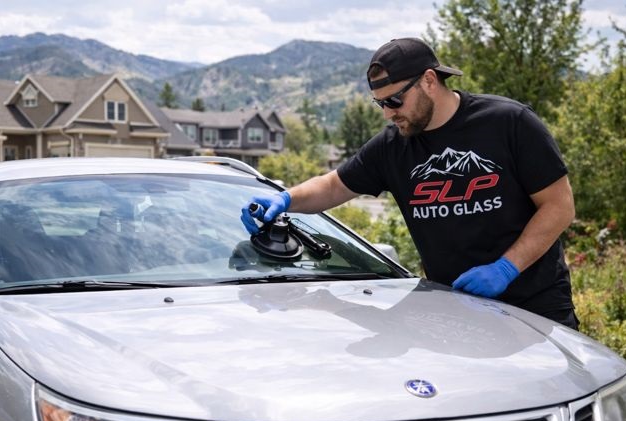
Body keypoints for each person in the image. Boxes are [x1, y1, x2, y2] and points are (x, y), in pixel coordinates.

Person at [241, 37, 579, 329]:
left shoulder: (509, 123)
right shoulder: (393, 146)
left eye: (394, 101)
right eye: (380, 104)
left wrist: (507, 268)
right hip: (454, 310)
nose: (388, 113)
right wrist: (285, 199)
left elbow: (559, 206)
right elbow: (333, 186)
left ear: (429, 81)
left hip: (537, 305)